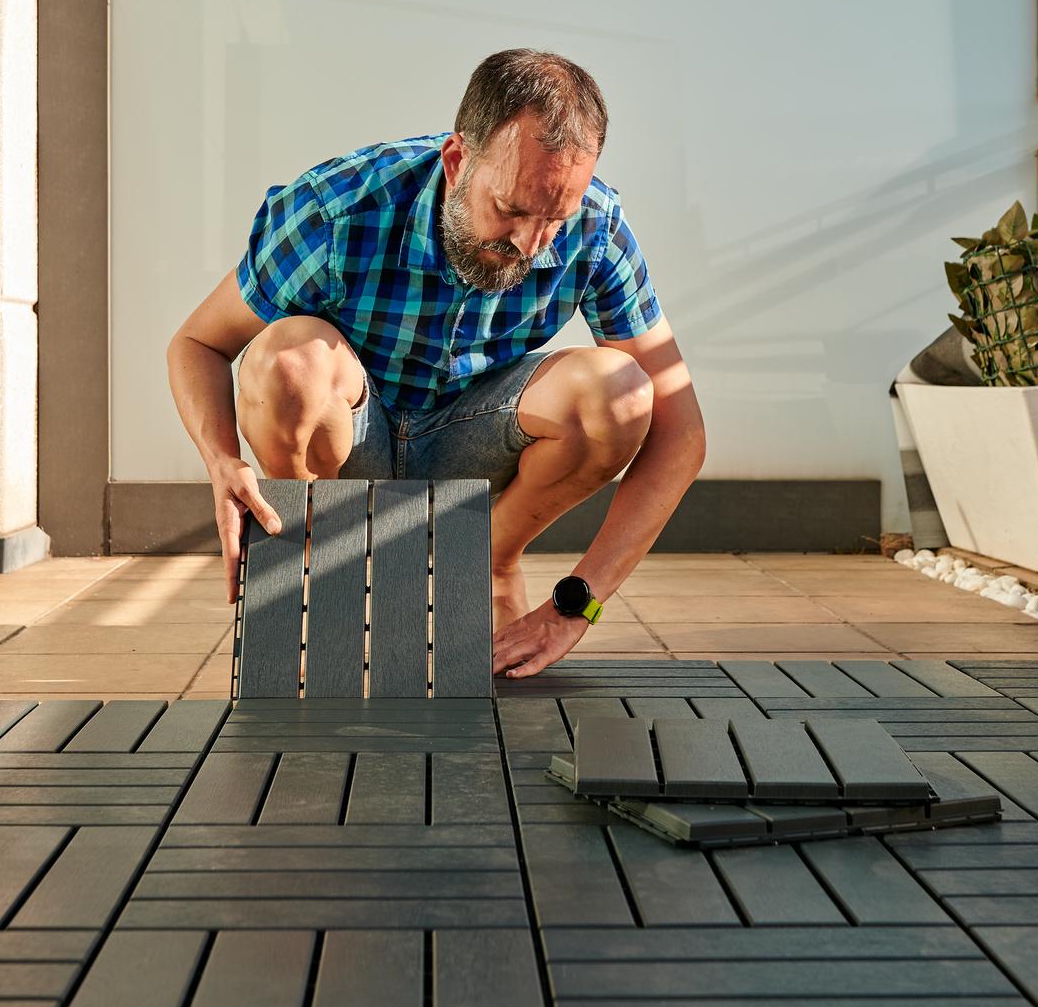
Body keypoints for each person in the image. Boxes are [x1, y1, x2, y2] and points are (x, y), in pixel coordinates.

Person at [166, 49, 705, 677]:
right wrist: (222, 463)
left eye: (553, 220)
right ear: (456, 162)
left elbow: (681, 434)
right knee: (287, 362)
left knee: (622, 394)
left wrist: (576, 605)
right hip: (352, 434)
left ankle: (489, 559)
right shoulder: (334, 212)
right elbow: (197, 345)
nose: (528, 247)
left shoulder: (596, 227)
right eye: (511, 210)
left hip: (476, 441)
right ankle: (319, 555)